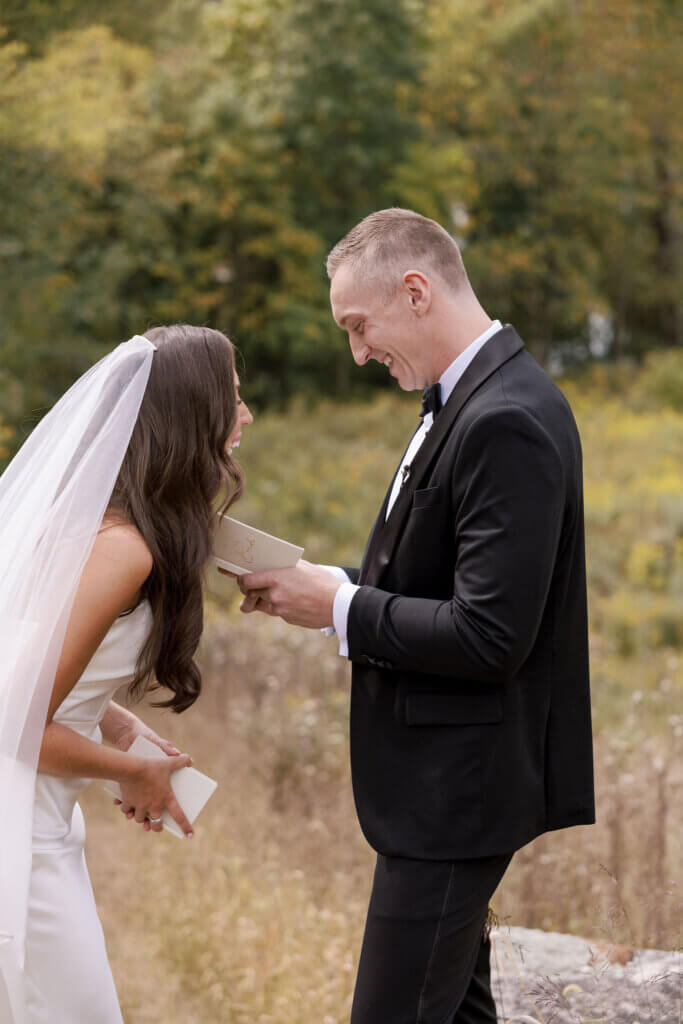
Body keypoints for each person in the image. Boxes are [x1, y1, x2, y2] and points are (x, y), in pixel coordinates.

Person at [232, 209, 595, 1023]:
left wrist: (344, 607)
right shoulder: (470, 398)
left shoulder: (504, 418)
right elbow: (442, 581)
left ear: (415, 290)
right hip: (442, 793)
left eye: (359, 326)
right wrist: (332, 588)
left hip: (455, 799)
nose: (357, 352)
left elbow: (490, 635)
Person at [0, 325, 253, 1023]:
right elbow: (14, 723)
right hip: (17, 825)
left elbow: (36, 669)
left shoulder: (107, 532)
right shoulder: (123, 551)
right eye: (232, 398)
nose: (245, 416)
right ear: (190, 415)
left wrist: (118, 721)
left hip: (39, 816)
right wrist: (132, 771)